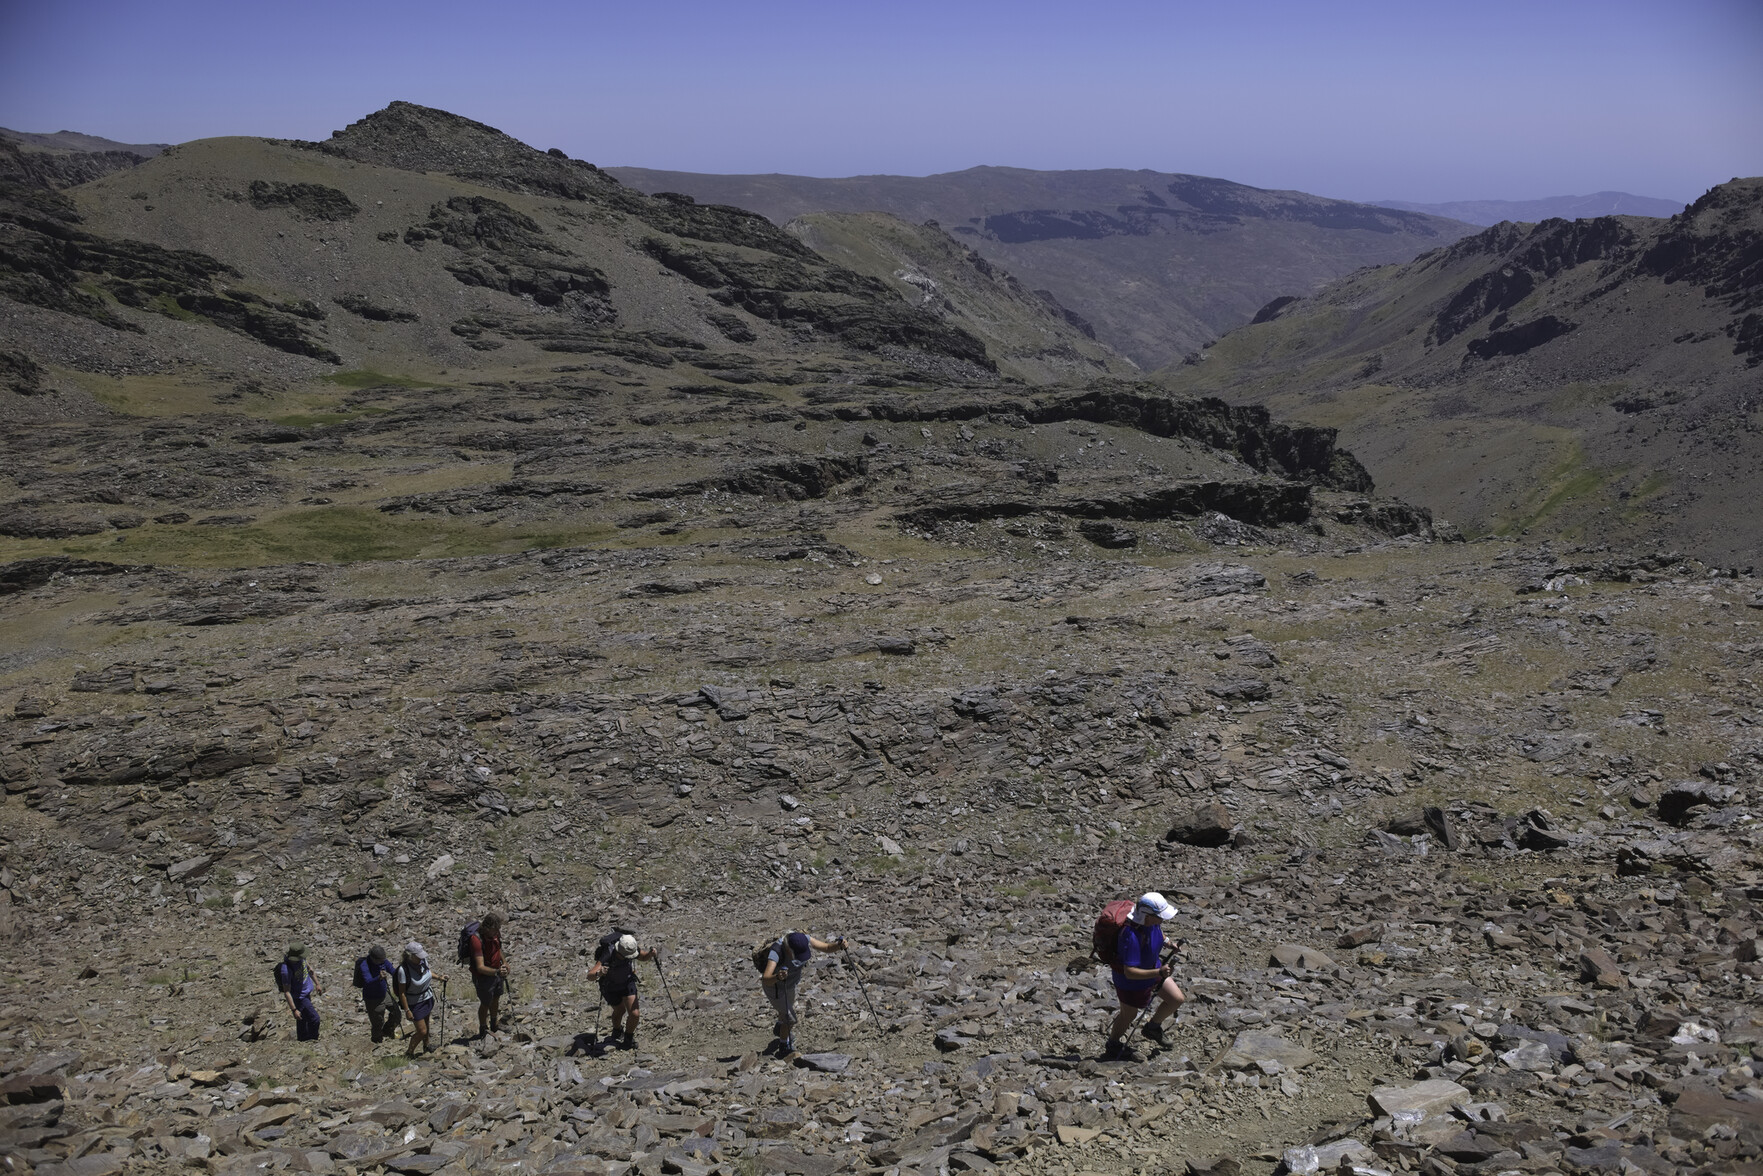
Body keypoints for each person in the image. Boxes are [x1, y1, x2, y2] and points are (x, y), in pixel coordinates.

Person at [1104, 892, 1186, 1061]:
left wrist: (1170, 943)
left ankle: (1153, 1028)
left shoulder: (1152, 924)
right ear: (1147, 916)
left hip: (1153, 969)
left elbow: (1159, 934)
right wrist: (1159, 972)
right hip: (1130, 983)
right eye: (1160, 916)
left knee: (1176, 999)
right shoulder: (1130, 936)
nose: (1163, 920)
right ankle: (1113, 1044)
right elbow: (1130, 972)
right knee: (1129, 1015)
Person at [758, 931, 847, 1055]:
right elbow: (766, 979)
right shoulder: (776, 951)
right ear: (789, 949)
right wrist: (778, 977)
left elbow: (826, 947)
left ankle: (780, 1027)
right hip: (775, 988)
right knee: (790, 1018)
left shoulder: (803, 939)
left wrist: (838, 945)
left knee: (786, 1012)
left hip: (790, 984)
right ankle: (784, 1045)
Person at [586, 931, 657, 1051]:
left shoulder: (631, 949)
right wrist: (599, 973)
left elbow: (643, 957)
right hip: (610, 986)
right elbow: (590, 975)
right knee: (620, 1010)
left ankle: (628, 1039)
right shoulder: (608, 953)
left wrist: (650, 954)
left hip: (627, 982)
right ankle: (617, 1030)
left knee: (634, 1014)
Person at [467, 913, 509, 1038]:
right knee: (485, 1002)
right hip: (483, 976)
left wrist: (505, 962)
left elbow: (498, 948)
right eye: (495, 929)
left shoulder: (495, 934)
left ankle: (494, 1023)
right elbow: (480, 967)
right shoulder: (476, 940)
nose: (497, 932)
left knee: (496, 998)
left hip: (496, 971)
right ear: (487, 928)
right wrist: (497, 972)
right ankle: (483, 1027)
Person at [395, 942, 438, 1058]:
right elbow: (402, 993)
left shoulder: (422, 961)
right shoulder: (403, 971)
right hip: (415, 1003)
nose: (421, 958)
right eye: (418, 956)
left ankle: (426, 1045)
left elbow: (428, 973)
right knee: (422, 1031)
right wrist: (407, 1010)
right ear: (410, 956)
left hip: (427, 998)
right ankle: (409, 1052)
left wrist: (439, 977)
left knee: (426, 1024)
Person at [355, 945, 402, 1043]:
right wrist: (379, 978)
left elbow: (393, 971)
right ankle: (376, 1040)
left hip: (384, 994)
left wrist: (400, 974)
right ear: (374, 958)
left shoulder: (383, 962)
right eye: (380, 960)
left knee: (397, 1013)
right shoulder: (365, 965)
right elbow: (367, 981)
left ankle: (387, 1031)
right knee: (377, 1022)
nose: (382, 961)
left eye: (383, 959)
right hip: (373, 999)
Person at [276, 944, 324, 1042]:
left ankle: (302, 1039)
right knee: (315, 1019)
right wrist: (294, 1010)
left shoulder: (302, 959)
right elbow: (287, 991)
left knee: (303, 1019)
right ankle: (313, 1040)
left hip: (306, 993)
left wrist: (317, 984)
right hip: (299, 997)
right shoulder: (286, 970)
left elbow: (310, 970)